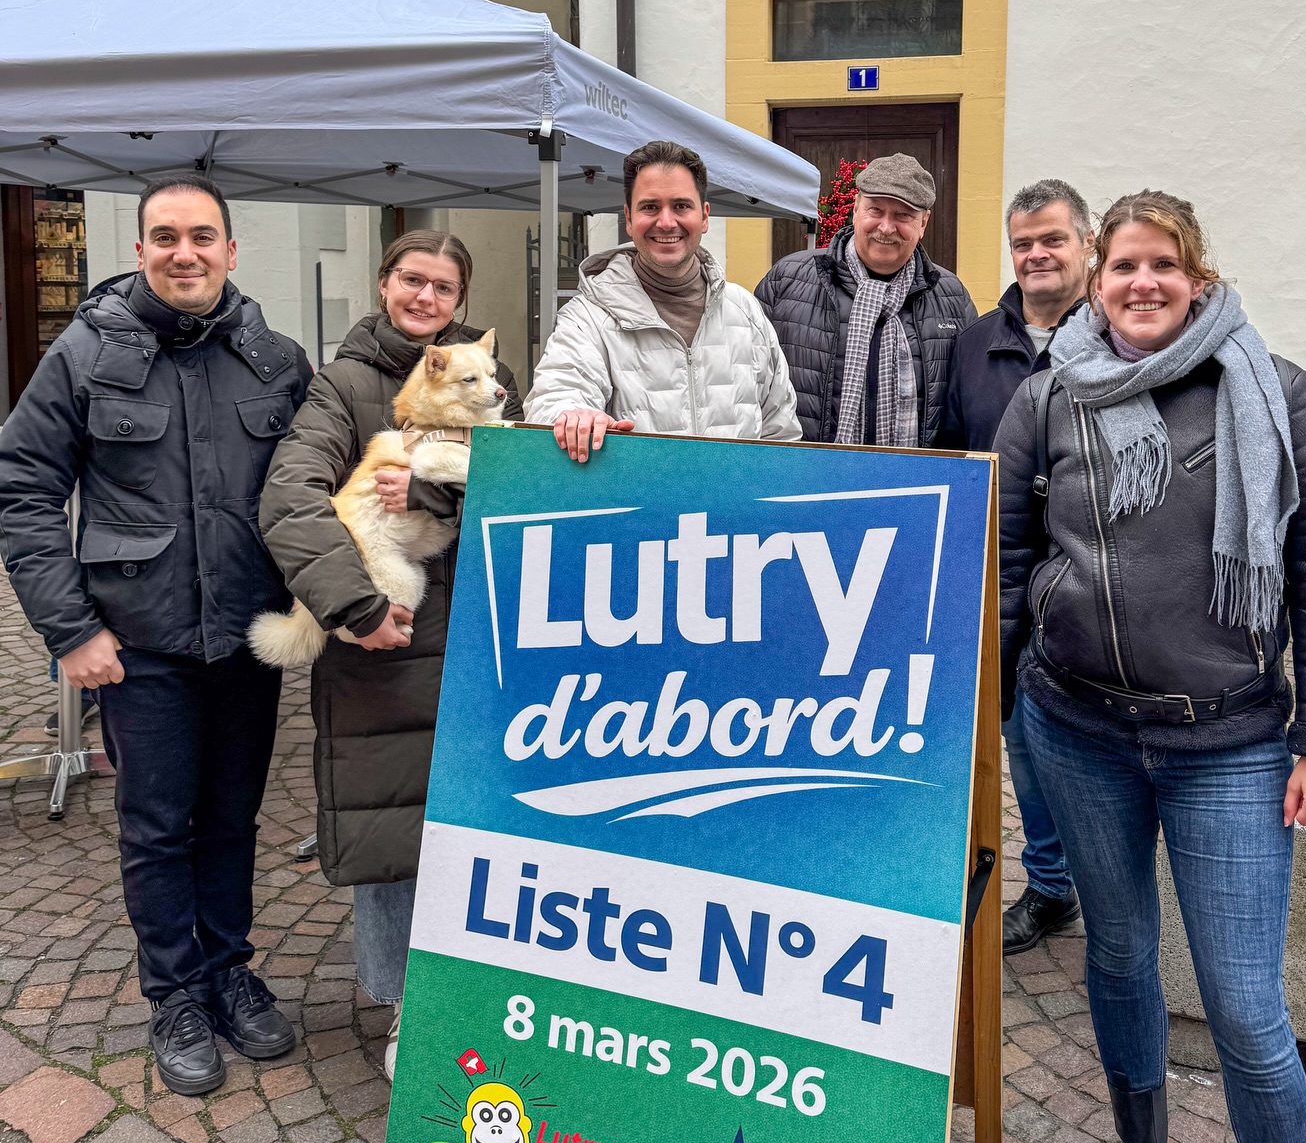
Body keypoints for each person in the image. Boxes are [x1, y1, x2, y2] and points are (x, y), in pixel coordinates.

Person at [995, 190, 1306, 1143]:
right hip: (1080, 729)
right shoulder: (1045, 397)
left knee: (1247, 1009)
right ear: (1095, 280)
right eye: (1123, 266)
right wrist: (980, 705)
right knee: (1117, 957)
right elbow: (1008, 560)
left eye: (1163, 265)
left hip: (1233, 744)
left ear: (1196, 278)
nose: (1141, 283)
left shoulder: (1272, 389)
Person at [0, 176, 311, 1094]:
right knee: (155, 827)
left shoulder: (276, 361)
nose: (185, 253)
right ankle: (175, 992)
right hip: (136, 647)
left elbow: (315, 486)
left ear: (230, 249)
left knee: (231, 820)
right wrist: (69, 630)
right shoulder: (85, 355)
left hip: (248, 638)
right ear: (137, 250)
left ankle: (228, 970)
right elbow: (22, 491)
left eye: (202, 237)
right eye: (165, 237)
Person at [259, 230, 522, 1078]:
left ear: (458, 300)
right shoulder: (340, 386)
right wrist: (357, 604)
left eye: (443, 286)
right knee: (395, 826)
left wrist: (443, 487)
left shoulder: (487, 384)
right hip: (387, 639)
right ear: (385, 283)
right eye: (413, 280)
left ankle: (483, 992)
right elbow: (293, 496)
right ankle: (408, 1004)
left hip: (480, 631)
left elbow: (527, 487)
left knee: (480, 823)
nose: (425, 297)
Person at [937, 179, 1093, 955]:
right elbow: (947, 453)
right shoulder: (974, 342)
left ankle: (1111, 887)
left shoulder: (1120, 340)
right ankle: (1054, 887)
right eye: (1024, 243)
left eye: (1052, 240)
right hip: (998, 584)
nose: (1036, 255)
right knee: (1021, 750)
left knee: (1090, 752)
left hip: (1085, 587)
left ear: (1086, 246)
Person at [525, 139, 800, 457]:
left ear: (705, 216)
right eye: (650, 206)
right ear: (628, 218)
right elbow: (555, 399)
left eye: (681, 206)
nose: (666, 222)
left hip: (735, 507)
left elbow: (782, 434)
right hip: (640, 506)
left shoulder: (745, 311)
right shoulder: (588, 317)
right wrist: (572, 418)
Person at [754, 154, 976, 447]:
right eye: (876, 210)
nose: (886, 227)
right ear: (856, 210)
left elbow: (968, 407)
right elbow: (750, 389)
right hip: (805, 480)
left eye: (903, 215)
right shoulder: (787, 280)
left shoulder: (951, 297)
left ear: (924, 223)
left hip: (916, 484)